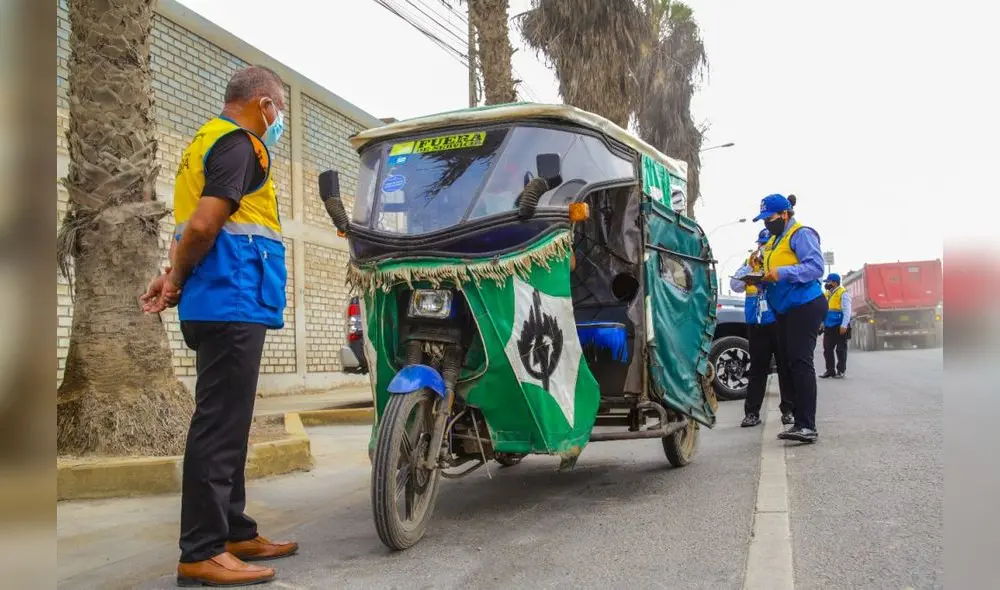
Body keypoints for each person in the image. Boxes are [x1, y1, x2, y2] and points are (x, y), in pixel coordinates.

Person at [140, 65, 297, 587]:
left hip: (220, 297)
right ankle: (202, 550)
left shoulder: (203, 142)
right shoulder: (239, 145)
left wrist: (172, 276)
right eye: (279, 109)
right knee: (219, 424)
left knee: (231, 419)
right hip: (230, 297)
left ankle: (234, 531)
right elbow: (206, 224)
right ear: (264, 105)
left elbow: (192, 227)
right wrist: (177, 278)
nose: (279, 121)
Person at [755, 194, 827, 443]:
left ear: (785, 214)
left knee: (800, 361)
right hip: (785, 308)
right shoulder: (774, 240)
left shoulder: (801, 234)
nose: (767, 223)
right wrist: (761, 278)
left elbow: (816, 267)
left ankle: (807, 425)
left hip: (804, 305)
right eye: (764, 219)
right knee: (787, 364)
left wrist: (782, 272)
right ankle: (798, 421)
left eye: (770, 218)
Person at [731, 229, 795, 428]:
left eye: (767, 243)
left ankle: (789, 411)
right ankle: (751, 413)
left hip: (779, 321)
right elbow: (735, 285)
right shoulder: (749, 263)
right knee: (757, 369)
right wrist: (748, 269)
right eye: (761, 243)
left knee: (785, 367)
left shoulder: (780, 263)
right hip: (756, 324)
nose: (763, 247)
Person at [820, 273, 852, 378]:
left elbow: (847, 311)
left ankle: (841, 371)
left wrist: (844, 325)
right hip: (829, 326)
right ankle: (830, 371)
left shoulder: (843, 293)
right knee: (827, 349)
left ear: (834, 283)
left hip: (840, 326)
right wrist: (822, 323)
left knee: (840, 350)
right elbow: (824, 310)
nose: (826, 284)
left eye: (828, 282)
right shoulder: (827, 293)